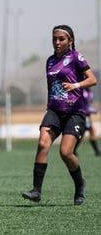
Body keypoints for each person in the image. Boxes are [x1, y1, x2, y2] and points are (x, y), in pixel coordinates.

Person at [22, 25, 97, 206]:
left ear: (70, 41)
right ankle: (36, 191)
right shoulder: (49, 60)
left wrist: (75, 86)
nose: (57, 42)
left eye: (61, 39)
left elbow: (92, 79)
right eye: (54, 39)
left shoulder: (76, 57)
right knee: (42, 143)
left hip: (74, 112)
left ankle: (80, 184)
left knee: (65, 152)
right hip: (54, 111)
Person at [73, 88, 101, 156]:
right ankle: (73, 150)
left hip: (87, 115)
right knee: (81, 134)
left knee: (90, 132)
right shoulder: (82, 91)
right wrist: (88, 110)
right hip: (82, 115)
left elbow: (88, 104)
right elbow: (81, 104)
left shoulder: (90, 92)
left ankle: (96, 151)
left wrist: (91, 110)